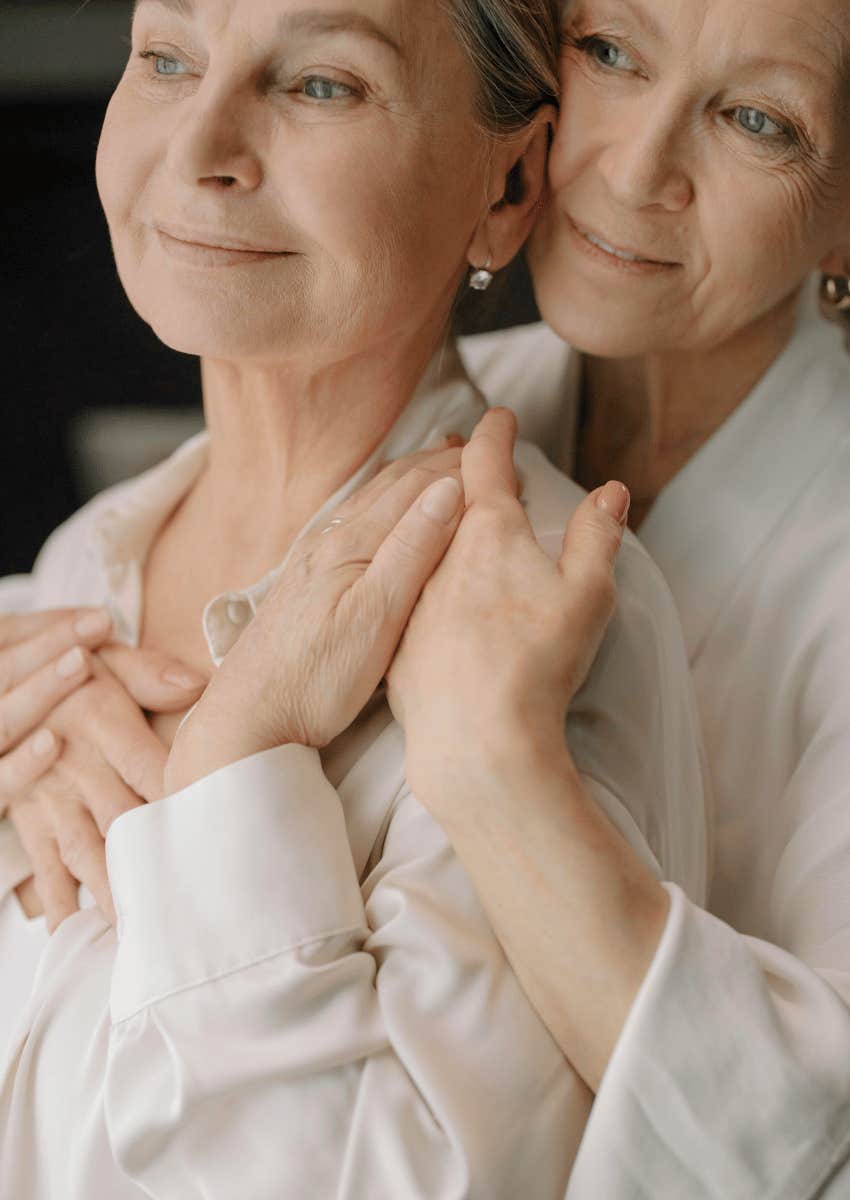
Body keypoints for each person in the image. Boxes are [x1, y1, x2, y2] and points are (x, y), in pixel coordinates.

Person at [0, 1, 707, 1196]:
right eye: (166, 59)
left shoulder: (540, 614)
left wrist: (235, 762)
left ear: (508, 183)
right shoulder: (73, 573)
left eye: (321, 84)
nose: (199, 147)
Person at [386, 0, 850, 1194]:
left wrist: (497, 766)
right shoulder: (458, 405)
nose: (636, 168)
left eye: (756, 120)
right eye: (608, 54)